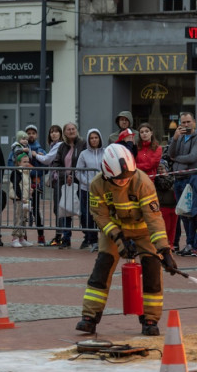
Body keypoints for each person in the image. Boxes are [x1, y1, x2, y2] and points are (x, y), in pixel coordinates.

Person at [76, 144, 178, 337]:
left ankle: (150, 319)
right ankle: (89, 317)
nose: (124, 181)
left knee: (152, 269)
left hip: (143, 232)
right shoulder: (97, 185)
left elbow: (154, 219)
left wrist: (164, 251)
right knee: (102, 267)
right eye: (119, 179)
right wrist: (120, 239)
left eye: (127, 177)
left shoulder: (142, 182)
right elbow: (101, 217)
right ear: (106, 173)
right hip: (115, 232)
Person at [33, 125, 63, 246]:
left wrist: (35, 155)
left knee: (59, 209)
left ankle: (60, 236)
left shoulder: (59, 145)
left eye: (56, 132)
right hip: (56, 181)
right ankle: (59, 235)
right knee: (57, 209)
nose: (53, 134)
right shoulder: (53, 146)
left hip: (60, 180)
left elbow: (47, 160)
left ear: (60, 134)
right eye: (51, 132)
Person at [75, 128, 105, 250]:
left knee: (103, 214)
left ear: (100, 138)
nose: (94, 140)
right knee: (87, 214)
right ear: (88, 140)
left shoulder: (106, 152)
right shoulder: (83, 154)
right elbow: (78, 171)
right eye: (91, 138)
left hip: (103, 189)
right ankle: (92, 240)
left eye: (96, 137)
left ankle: (104, 239)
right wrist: (88, 182)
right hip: (86, 189)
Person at [7, 152, 35, 247]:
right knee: (18, 218)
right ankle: (15, 238)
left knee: (23, 218)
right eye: (24, 162)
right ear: (19, 162)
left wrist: (30, 190)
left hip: (25, 198)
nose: (26, 163)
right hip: (19, 199)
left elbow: (26, 185)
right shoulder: (17, 172)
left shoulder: (27, 172)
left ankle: (22, 238)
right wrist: (21, 196)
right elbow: (16, 186)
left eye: (27, 161)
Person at [154, 160, 178, 249]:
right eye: (159, 168)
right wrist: (166, 177)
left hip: (173, 205)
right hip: (163, 206)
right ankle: (164, 243)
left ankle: (171, 243)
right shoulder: (157, 178)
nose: (161, 170)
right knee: (165, 227)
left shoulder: (172, 176)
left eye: (162, 168)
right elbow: (164, 185)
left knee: (173, 228)